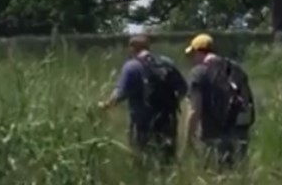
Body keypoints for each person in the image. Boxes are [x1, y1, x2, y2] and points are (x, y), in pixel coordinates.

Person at [100, 34, 188, 166]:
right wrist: (171, 104)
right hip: (168, 121)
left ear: (133, 48)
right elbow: (183, 88)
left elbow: (120, 94)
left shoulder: (132, 66)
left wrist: (105, 105)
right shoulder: (166, 62)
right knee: (167, 161)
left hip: (143, 123)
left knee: (142, 159)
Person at [183, 33, 256, 170]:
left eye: (193, 55)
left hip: (213, 134)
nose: (193, 59)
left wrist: (188, 139)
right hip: (240, 132)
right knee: (238, 173)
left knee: (216, 174)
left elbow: (194, 110)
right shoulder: (236, 69)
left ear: (199, 52)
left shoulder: (198, 72)